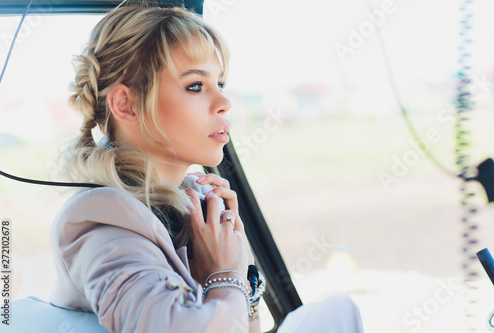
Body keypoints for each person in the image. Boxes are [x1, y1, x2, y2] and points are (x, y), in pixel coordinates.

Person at [49, 5, 363, 333]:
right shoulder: (106, 228)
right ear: (126, 105)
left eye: (221, 83)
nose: (224, 102)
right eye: (196, 86)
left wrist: (237, 274)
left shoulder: (188, 205)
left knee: (337, 311)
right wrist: (226, 276)